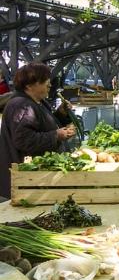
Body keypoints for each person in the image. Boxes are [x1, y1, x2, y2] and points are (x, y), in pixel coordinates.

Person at [0, 62, 77, 199]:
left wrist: (61, 114)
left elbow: (43, 125)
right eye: (44, 81)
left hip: (36, 179)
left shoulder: (37, 102)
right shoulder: (21, 106)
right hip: (26, 181)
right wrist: (56, 136)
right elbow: (24, 141)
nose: (49, 84)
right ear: (29, 85)